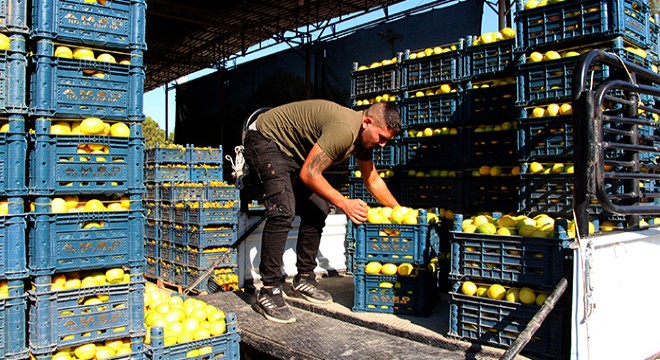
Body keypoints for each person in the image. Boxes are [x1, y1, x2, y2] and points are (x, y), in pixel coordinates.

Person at [243, 99, 402, 323]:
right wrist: (344, 203)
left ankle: (304, 278)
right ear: (367, 122)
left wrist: (400, 213)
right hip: (266, 140)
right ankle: (268, 289)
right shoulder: (345, 130)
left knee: (318, 208)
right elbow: (309, 173)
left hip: (292, 154)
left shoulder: (362, 141)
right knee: (283, 210)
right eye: (382, 138)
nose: (383, 144)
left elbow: (373, 180)